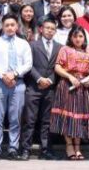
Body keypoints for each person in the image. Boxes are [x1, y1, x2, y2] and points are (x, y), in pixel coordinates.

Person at [0, 14, 33, 160]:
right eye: (7, 25)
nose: (10, 28)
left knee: (15, 119)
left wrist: (14, 74)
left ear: (17, 26)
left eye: (12, 25)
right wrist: (4, 76)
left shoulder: (23, 43)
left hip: (18, 83)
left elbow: (28, 63)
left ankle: (13, 148)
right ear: (3, 26)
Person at [50, 25, 89, 159]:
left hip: (83, 88)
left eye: (81, 36)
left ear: (84, 38)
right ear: (70, 37)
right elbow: (57, 67)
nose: (78, 39)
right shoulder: (65, 49)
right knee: (68, 116)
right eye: (75, 36)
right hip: (67, 85)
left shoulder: (88, 53)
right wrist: (70, 77)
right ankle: (69, 145)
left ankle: (78, 147)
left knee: (79, 117)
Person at [21, 17, 62, 160]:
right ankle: (25, 149)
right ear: (41, 29)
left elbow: (60, 66)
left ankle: (46, 149)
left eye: (53, 29)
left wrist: (50, 80)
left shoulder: (60, 47)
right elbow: (28, 64)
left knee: (47, 121)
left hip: (50, 89)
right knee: (29, 120)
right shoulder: (32, 45)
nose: (50, 31)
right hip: (34, 87)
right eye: (47, 28)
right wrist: (39, 78)